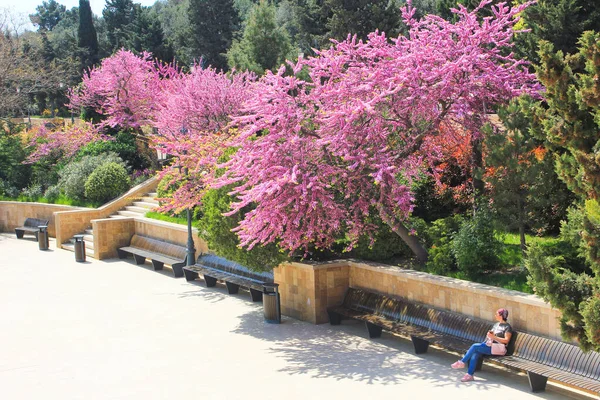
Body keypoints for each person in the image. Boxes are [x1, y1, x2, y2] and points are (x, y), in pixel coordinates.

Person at [450, 308, 512, 382]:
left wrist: (494, 337)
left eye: (497, 314)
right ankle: (470, 375)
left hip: (497, 349)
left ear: (501, 316)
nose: (495, 315)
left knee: (475, 346)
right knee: (475, 353)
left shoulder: (507, 327)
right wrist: (490, 335)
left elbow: (506, 340)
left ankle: (462, 362)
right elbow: (492, 336)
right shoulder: (496, 325)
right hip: (489, 345)